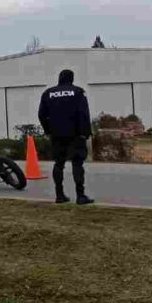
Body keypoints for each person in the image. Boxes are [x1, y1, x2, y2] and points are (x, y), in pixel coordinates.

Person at [38, 69, 95, 205]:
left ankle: (59, 195)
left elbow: (41, 115)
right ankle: (80, 196)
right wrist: (85, 133)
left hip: (56, 135)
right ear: (72, 79)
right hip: (75, 134)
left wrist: (48, 130)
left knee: (58, 164)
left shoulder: (48, 93)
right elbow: (84, 114)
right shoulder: (78, 92)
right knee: (77, 164)